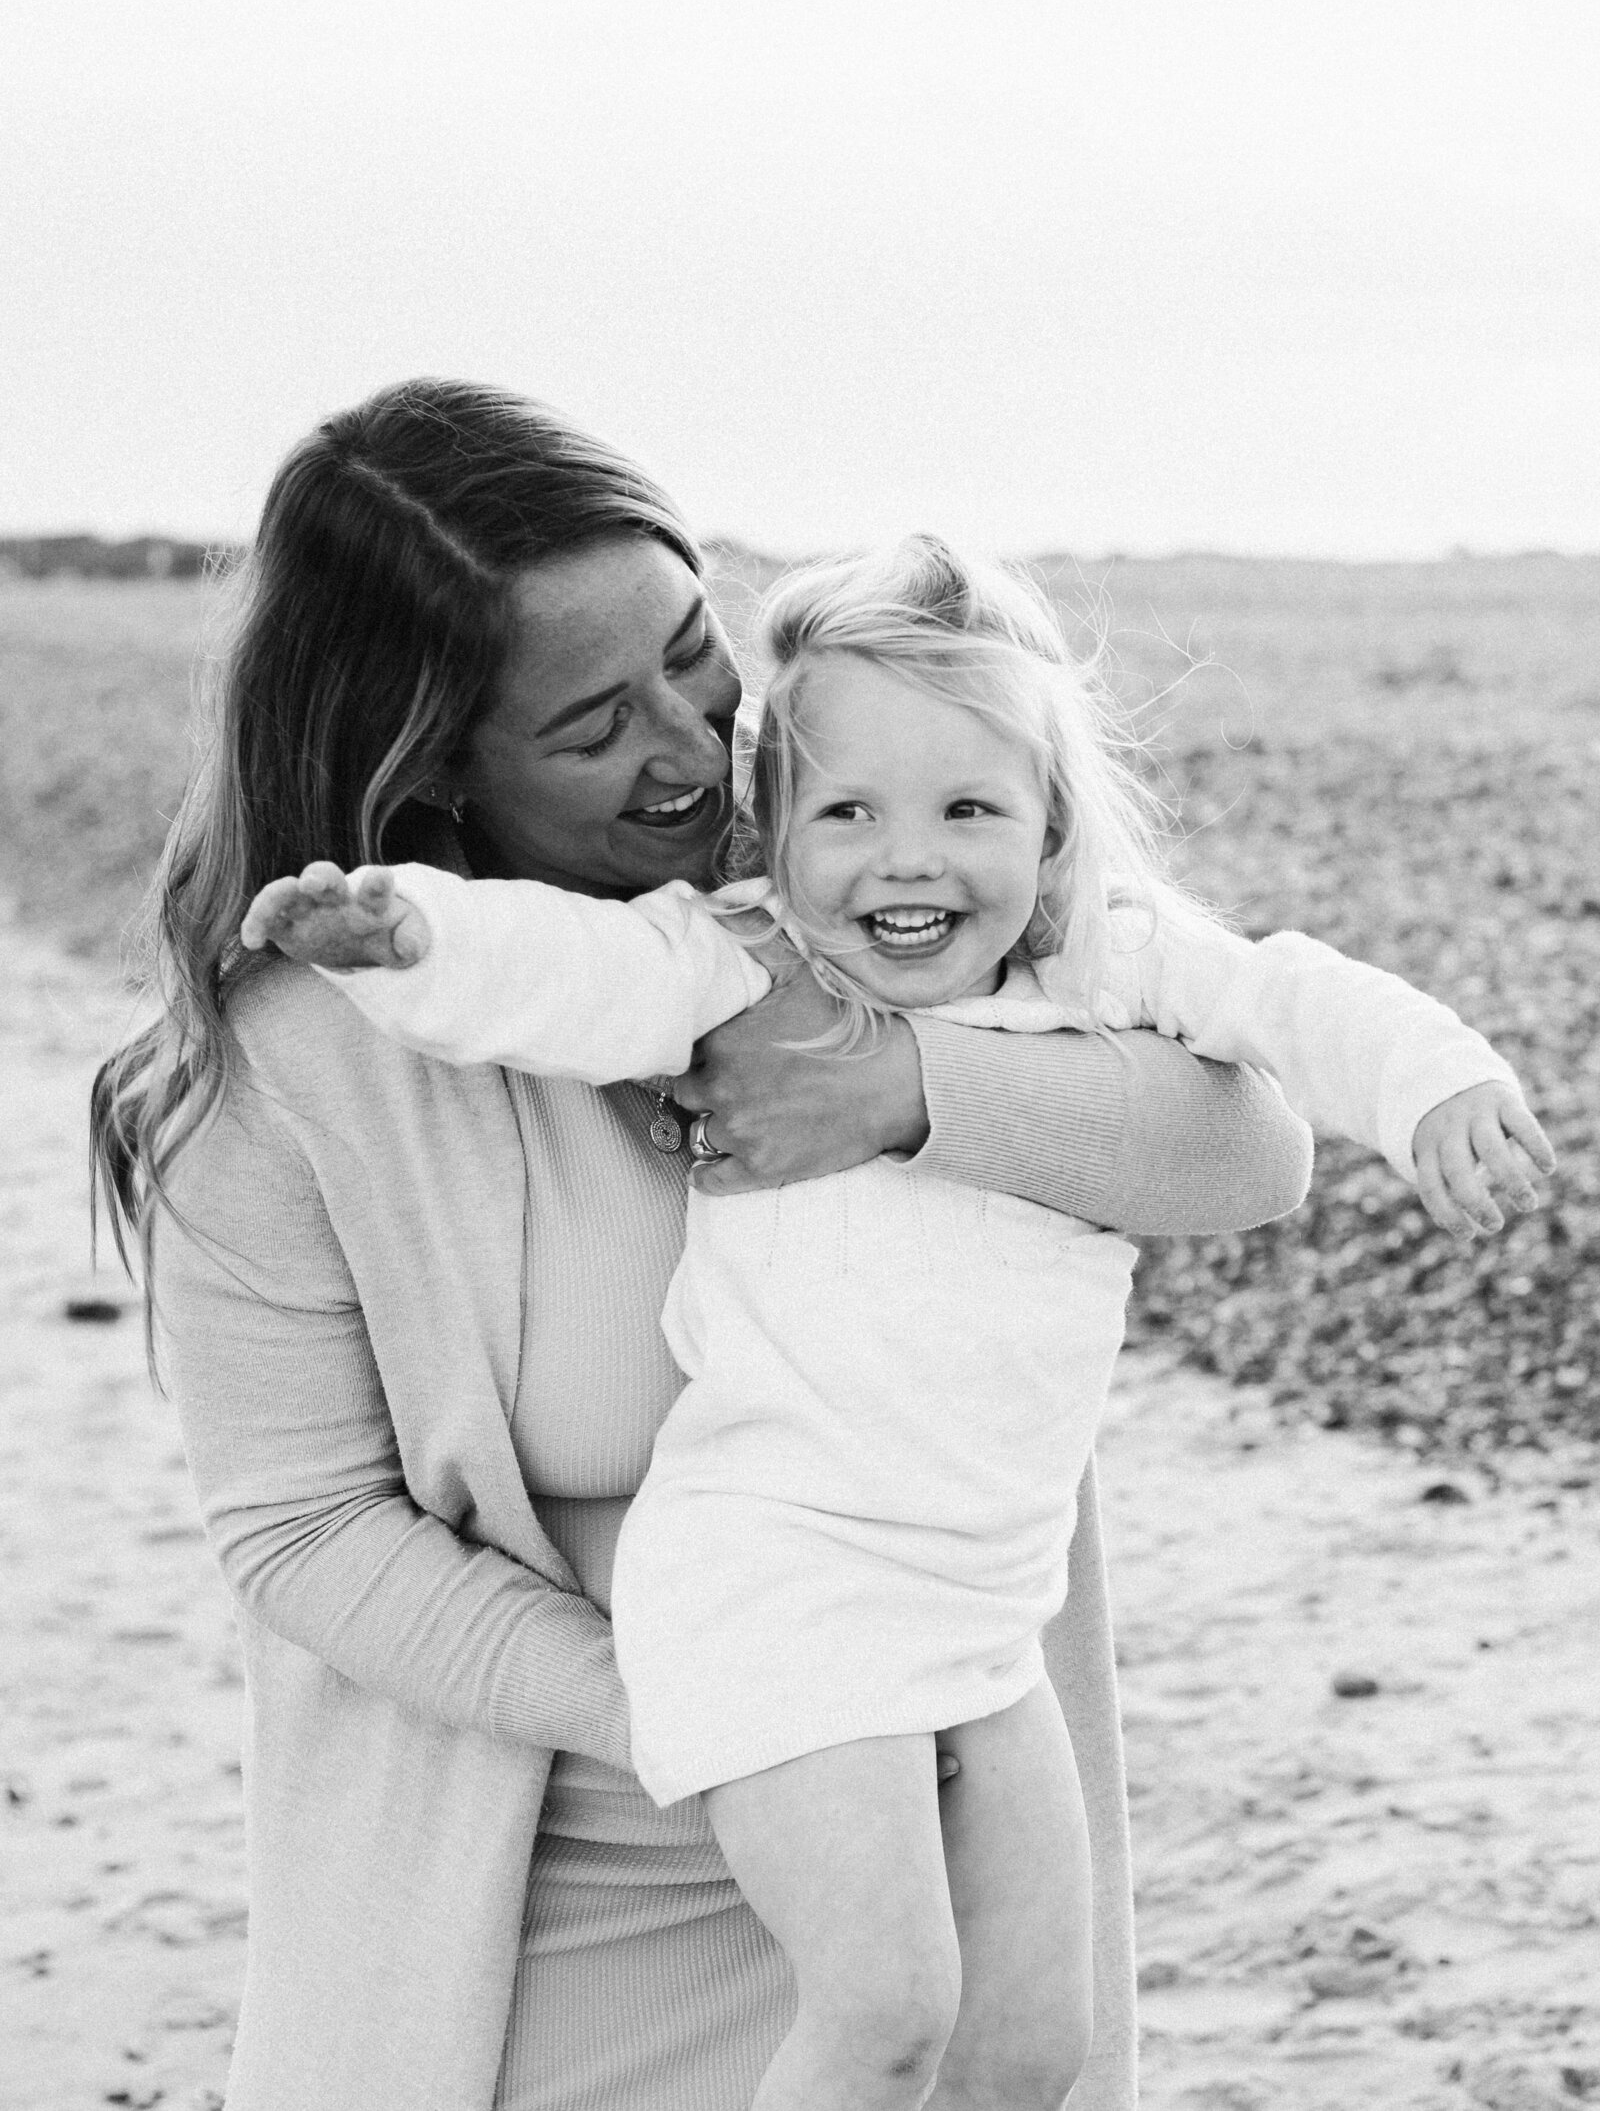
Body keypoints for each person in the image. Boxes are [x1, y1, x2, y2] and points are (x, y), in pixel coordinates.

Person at [94, 380, 1329, 2111]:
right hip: (539, 1899)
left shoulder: (866, 866)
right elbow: (303, 1534)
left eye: (694, 652)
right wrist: (745, 1712)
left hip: (951, 1844)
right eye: (596, 723)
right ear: (433, 754)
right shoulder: (298, 1059)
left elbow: (1247, 1144)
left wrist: (903, 1087)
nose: (691, 749)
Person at [242, 533, 1551, 2111]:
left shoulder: (1100, 968)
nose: (908, 860)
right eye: (849, 813)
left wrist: (1440, 1084)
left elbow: (1288, 1003)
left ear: (1054, 829)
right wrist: (414, 937)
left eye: (969, 810)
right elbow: (564, 974)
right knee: (884, 2012)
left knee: (1032, 2052)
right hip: (785, 1573)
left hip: (986, 1608)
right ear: (774, 834)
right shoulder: (737, 964)